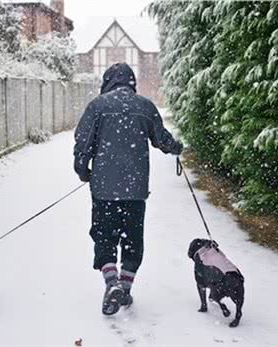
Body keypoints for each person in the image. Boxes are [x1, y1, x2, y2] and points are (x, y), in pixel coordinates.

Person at [73, 63, 183, 315]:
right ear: (131, 82)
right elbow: (161, 139)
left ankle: (112, 283)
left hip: (104, 190)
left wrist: (83, 170)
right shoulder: (144, 106)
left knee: (104, 236)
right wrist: (176, 148)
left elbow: (83, 143)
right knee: (133, 240)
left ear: (108, 82)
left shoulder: (97, 106)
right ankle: (125, 284)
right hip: (135, 190)